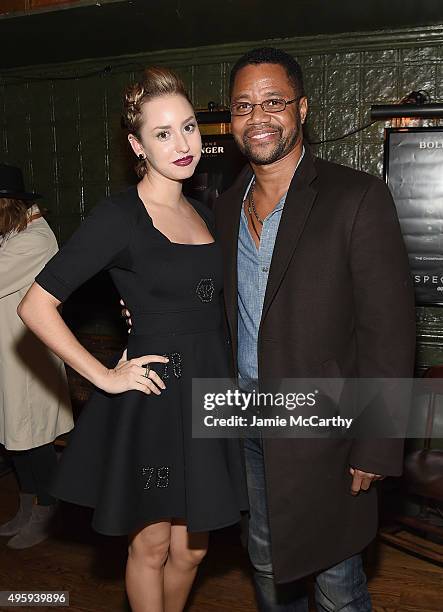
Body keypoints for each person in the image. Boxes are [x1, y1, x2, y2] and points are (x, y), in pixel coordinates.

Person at [18, 67, 248, 612]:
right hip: (155, 398)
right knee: (150, 543)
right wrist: (103, 375)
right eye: (163, 133)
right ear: (136, 144)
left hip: (211, 391)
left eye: (189, 127)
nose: (183, 143)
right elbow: (35, 306)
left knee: (193, 550)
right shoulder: (119, 216)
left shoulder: (206, 210)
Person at [213, 48, 416, 611]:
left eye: (273, 102)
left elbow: (390, 333)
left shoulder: (356, 197)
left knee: (336, 580)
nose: (259, 117)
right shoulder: (226, 207)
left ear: (302, 108)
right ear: (230, 121)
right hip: (246, 421)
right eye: (243, 106)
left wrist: (376, 445)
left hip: (326, 428)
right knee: (265, 560)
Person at [0, 163, 73, 549]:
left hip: (29, 359)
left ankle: (48, 510)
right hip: (10, 357)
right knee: (15, 440)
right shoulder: (12, 233)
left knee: (35, 441)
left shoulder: (35, 239)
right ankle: (27, 505)